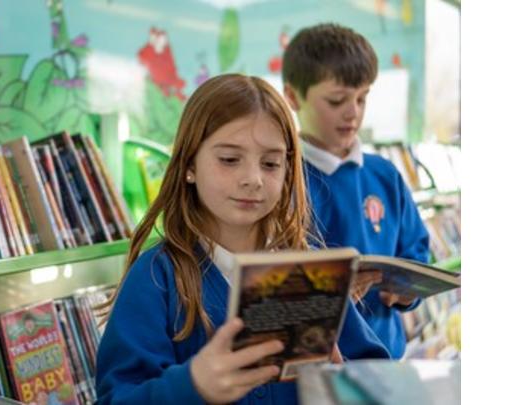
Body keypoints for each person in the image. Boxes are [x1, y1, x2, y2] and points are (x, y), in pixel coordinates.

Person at [94, 73, 389, 405]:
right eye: (230, 160)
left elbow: (378, 380)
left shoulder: (310, 274)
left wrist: (342, 381)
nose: (253, 179)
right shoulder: (155, 277)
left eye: (270, 163)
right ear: (189, 163)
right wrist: (192, 385)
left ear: (287, 169)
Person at [282, 23, 431, 359]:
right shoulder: (281, 178)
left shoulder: (385, 175)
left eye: (362, 98)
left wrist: (408, 292)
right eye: (337, 101)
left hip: (388, 357)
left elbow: (417, 252)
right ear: (292, 97)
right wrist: (330, 294)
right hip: (311, 365)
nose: (353, 112)